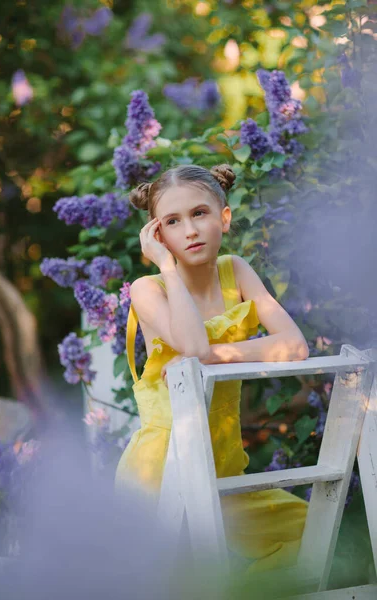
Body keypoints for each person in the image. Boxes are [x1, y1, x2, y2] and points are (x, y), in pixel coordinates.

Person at [115, 163, 309, 573]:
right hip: (163, 474)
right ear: (158, 235)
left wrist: (222, 356)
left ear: (224, 217)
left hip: (224, 474)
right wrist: (166, 266)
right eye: (172, 221)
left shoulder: (235, 271)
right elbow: (193, 344)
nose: (189, 230)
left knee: (309, 531)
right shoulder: (149, 289)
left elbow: (294, 345)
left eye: (199, 213)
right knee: (176, 578)